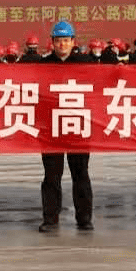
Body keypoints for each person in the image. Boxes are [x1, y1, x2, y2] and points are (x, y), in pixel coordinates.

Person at [37, 21, 94, 233]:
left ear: (73, 42)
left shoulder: (85, 63)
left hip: (78, 127)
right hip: (51, 129)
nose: (62, 44)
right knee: (52, 175)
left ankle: (84, 218)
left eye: (66, 40)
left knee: (80, 173)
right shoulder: (42, 65)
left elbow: (102, 84)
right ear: (52, 42)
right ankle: (50, 219)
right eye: (58, 40)